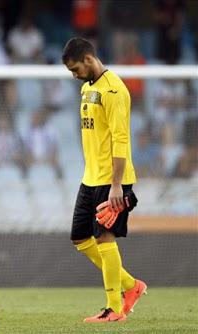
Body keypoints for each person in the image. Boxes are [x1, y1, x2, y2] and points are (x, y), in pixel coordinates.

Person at [62, 37, 147, 323]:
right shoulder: (88, 88)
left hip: (112, 181)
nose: (74, 76)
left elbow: (121, 140)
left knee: (104, 237)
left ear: (88, 59)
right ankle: (130, 285)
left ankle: (114, 308)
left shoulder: (114, 90)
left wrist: (116, 186)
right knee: (80, 237)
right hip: (90, 178)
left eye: (75, 69)